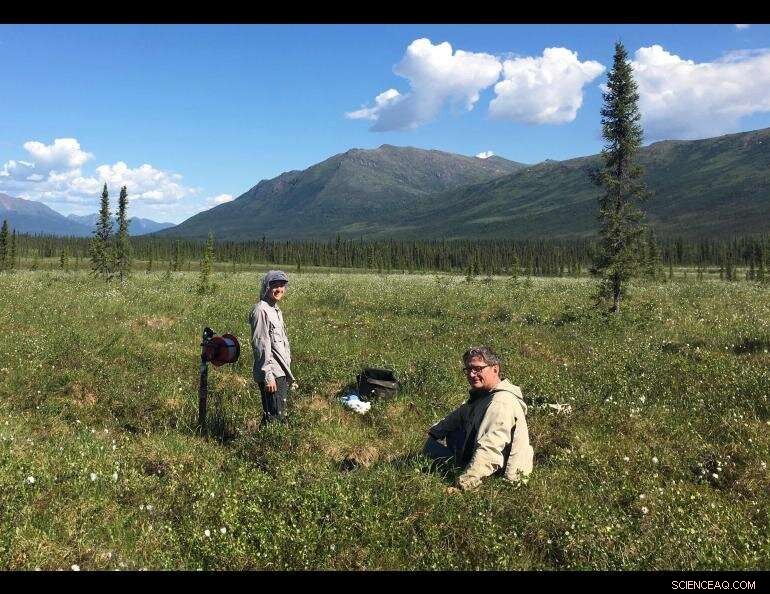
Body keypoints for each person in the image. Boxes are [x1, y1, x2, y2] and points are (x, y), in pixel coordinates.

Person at [423, 346, 534, 491]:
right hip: (486, 463)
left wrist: (463, 485)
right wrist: (434, 432)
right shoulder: (485, 395)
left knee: (430, 448)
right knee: (430, 445)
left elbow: (490, 448)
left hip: (500, 477)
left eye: (477, 369)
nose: (472, 374)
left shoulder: (500, 402)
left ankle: (470, 476)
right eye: (468, 369)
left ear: (495, 369)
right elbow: (459, 415)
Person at [249, 270, 295, 425]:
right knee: (274, 417)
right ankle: (266, 446)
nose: (279, 289)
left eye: (282, 285)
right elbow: (261, 345)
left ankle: (265, 444)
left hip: (280, 371)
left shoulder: (275, 309)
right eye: (274, 285)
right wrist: (268, 376)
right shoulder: (261, 310)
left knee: (275, 414)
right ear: (266, 287)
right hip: (272, 373)